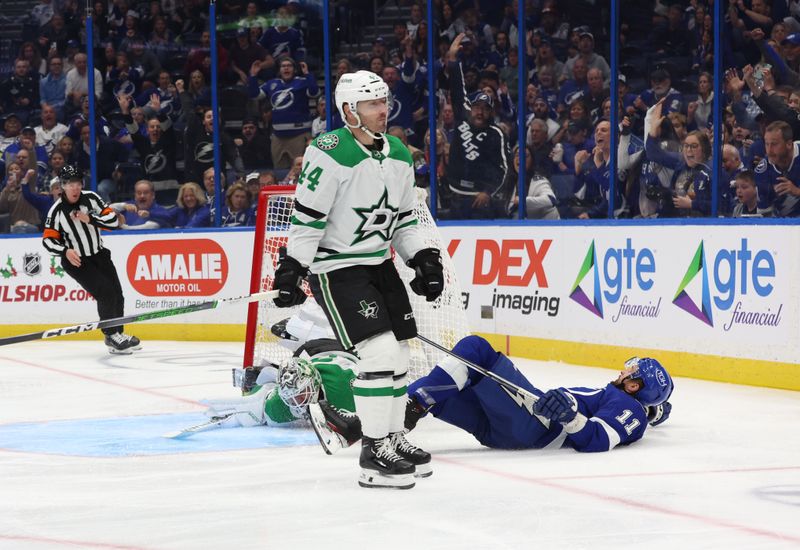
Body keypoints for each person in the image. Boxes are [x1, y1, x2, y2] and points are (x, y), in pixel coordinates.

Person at [271, 69, 444, 490]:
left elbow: (404, 219)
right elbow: (307, 218)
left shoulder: (400, 153)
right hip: (339, 269)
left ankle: (394, 438)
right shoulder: (328, 151)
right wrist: (293, 267)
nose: (383, 110)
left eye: (384, 101)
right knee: (380, 353)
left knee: (402, 355)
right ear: (349, 110)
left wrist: (421, 257)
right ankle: (372, 451)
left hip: (379, 265)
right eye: (372, 104)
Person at [404, 335, 673, 452]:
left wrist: (570, 416)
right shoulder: (634, 407)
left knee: (476, 349)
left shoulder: (631, 408)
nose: (623, 371)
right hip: (506, 431)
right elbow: (638, 417)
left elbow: (598, 440)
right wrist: (656, 411)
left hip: (535, 425)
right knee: (423, 391)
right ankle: (388, 423)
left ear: (634, 386)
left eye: (630, 371)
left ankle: (407, 409)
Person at [41, 166, 141, 354]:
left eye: (78, 183)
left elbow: (113, 221)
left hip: (99, 254)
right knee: (106, 292)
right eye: (70, 184)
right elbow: (48, 241)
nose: (75, 188)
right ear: (63, 186)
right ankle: (111, 335)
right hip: (77, 262)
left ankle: (117, 334)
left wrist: (90, 219)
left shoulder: (92, 198)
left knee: (118, 294)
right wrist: (65, 251)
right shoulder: (56, 211)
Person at [443, 33, 511, 219]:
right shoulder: (462, 116)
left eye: (485, 109)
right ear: (470, 108)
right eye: (477, 108)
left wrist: (488, 191)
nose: (480, 112)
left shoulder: (496, 133)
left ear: (491, 112)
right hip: (454, 193)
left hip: (478, 198)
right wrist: (453, 60)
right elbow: (457, 89)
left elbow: (504, 168)